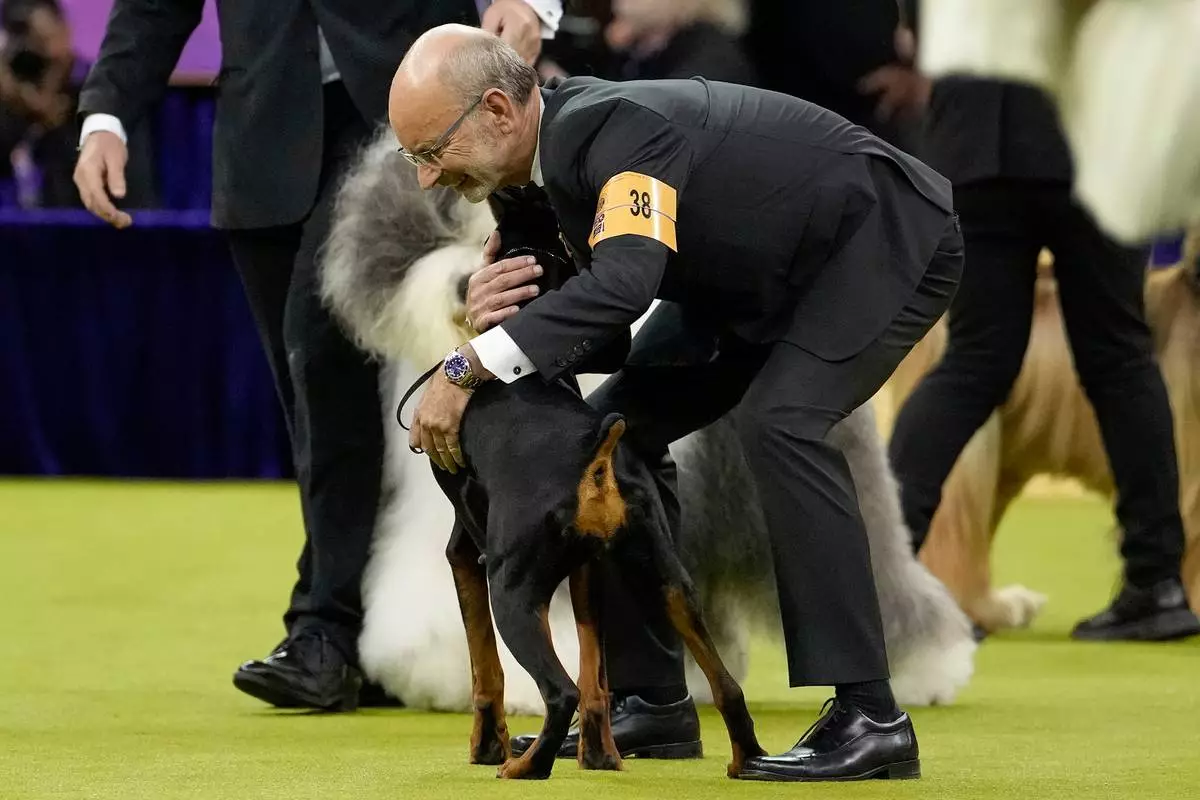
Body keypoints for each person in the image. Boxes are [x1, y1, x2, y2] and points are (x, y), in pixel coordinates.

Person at [392, 25, 963, 780]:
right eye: (414, 157)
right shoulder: (519, 179)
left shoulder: (616, 131)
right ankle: (652, 699)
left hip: (881, 239)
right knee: (607, 439)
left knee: (782, 422)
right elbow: (593, 333)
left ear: (498, 109)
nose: (427, 179)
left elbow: (625, 285)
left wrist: (467, 367)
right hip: (748, 282)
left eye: (433, 151)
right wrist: (490, 312)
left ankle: (872, 717)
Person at [72, 0, 563, 712]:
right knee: (307, 396)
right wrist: (107, 113)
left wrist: (533, 3)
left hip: (410, 115)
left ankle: (324, 629)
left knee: (324, 364)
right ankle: (372, 637)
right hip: (263, 130)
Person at [887, 74, 1200, 643]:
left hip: (978, 139)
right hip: (1099, 135)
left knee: (973, 363)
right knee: (1121, 358)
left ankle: (881, 575)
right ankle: (1157, 584)